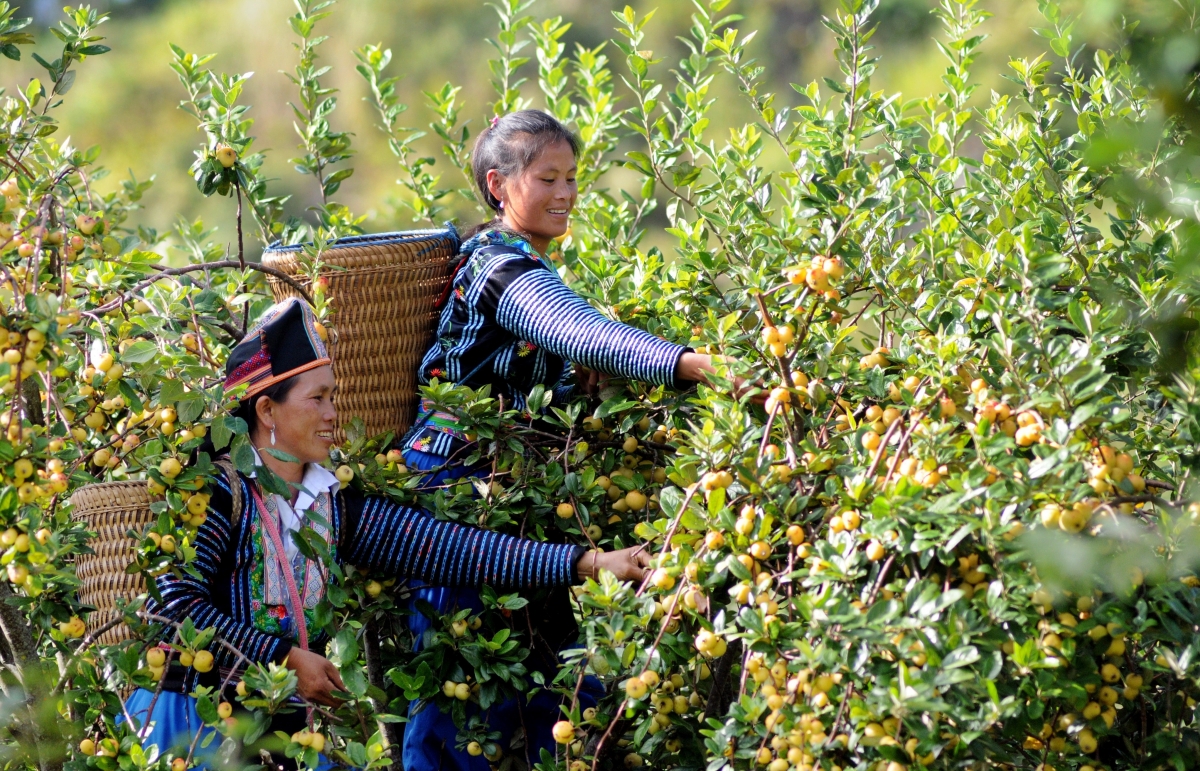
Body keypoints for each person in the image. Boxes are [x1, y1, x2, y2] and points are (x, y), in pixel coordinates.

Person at [122, 298, 649, 769]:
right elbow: (175, 606)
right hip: (191, 728)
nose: (333, 414)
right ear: (266, 410)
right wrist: (282, 657)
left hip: (279, 729)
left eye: (334, 398)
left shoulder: (330, 503)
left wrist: (588, 563)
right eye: (317, 399)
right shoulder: (217, 494)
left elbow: (446, 549)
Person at [399, 109, 718, 771]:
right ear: (499, 184)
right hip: (455, 488)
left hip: (523, 491)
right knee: (455, 677)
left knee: (554, 678)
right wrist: (689, 362)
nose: (566, 192)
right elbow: (572, 329)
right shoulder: (496, 264)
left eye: (572, 177)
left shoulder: (533, 265)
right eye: (548, 177)